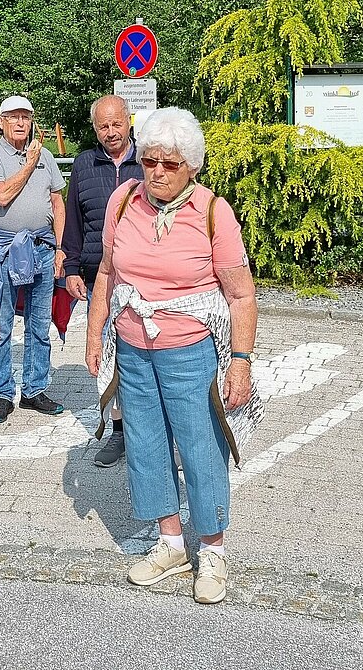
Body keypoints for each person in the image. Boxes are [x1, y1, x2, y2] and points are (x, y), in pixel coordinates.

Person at [85, 107, 263, 605]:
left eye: (169, 164)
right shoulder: (123, 200)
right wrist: (95, 335)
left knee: (201, 448)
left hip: (191, 352)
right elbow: (106, 272)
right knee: (145, 444)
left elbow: (241, 295)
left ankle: (213, 550)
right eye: (150, 161)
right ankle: (170, 544)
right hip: (133, 350)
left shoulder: (213, 212)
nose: (157, 172)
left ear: (192, 166)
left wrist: (241, 361)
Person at [0, 95, 67, 424]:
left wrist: (60, 247)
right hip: (4, 247)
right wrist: (29, 162)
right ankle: (1, 393)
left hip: (42, 246)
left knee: (39, 325)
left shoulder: (46, 156)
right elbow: (1, 195)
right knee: (1, 323)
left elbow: (57, 202)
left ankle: (34, 389)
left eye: (25, 116)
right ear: (1, 121)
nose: (20, 122)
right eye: (13, 117)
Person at [62, 94, 143, 466]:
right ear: (95, 129)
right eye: (103, 126)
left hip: (143, 279)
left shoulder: (148, 161)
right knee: (109, 356)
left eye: (116, 124)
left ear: (128, 122)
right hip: (100, 280)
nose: (111, 132)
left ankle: (154, 430)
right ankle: (119, 431)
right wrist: (71, 268)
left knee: (144, 355)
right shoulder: (84, 164)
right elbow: (74, 222)